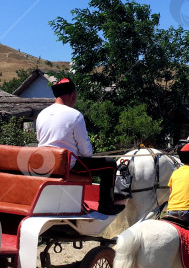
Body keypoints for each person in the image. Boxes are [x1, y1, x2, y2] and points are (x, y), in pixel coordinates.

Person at [35, 78, 126, 214]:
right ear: (72, 95)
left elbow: (40, 140)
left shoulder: (42, 114)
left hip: (46, 164)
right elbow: (86, 152)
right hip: (67, 166)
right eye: (75, 97)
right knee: (110, 165)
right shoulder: (75, 115)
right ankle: (106, 206)